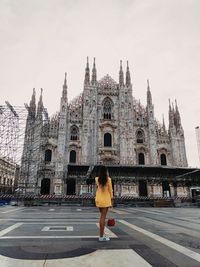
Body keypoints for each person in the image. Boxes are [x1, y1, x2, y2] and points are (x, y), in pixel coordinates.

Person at [95, 165, 113, 241]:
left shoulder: (96, 179)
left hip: (98, 199)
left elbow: (98, 187)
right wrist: (112, 200)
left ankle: (102, 234)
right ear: (106, 172)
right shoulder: (108, 180)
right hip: (105, 200)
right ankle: (101, 237)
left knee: (102, 217)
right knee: (103, 218)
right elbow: (110, 191)